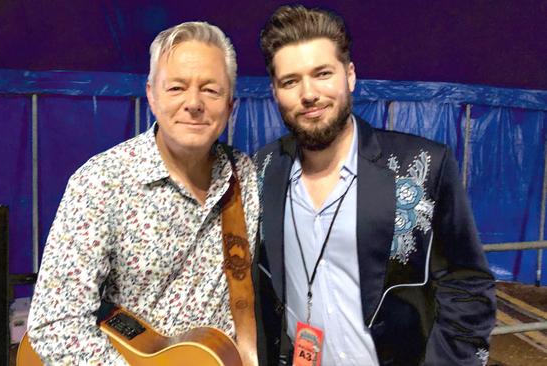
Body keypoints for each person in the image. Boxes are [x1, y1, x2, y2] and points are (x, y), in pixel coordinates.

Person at [253, 5, 496, 365]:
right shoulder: (263, 170)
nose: (308, 94)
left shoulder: (422, 167)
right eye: (290, 81)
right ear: (275, 91)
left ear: (349, 75)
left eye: (322, 74)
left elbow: (469, 285)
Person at [27, 21, 260, 365]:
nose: (193, 103)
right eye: (177, 87)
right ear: (151, 94)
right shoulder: (102, 182)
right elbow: (55, 323)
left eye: (210, 90)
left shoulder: (245, 178)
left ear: (230, 104)